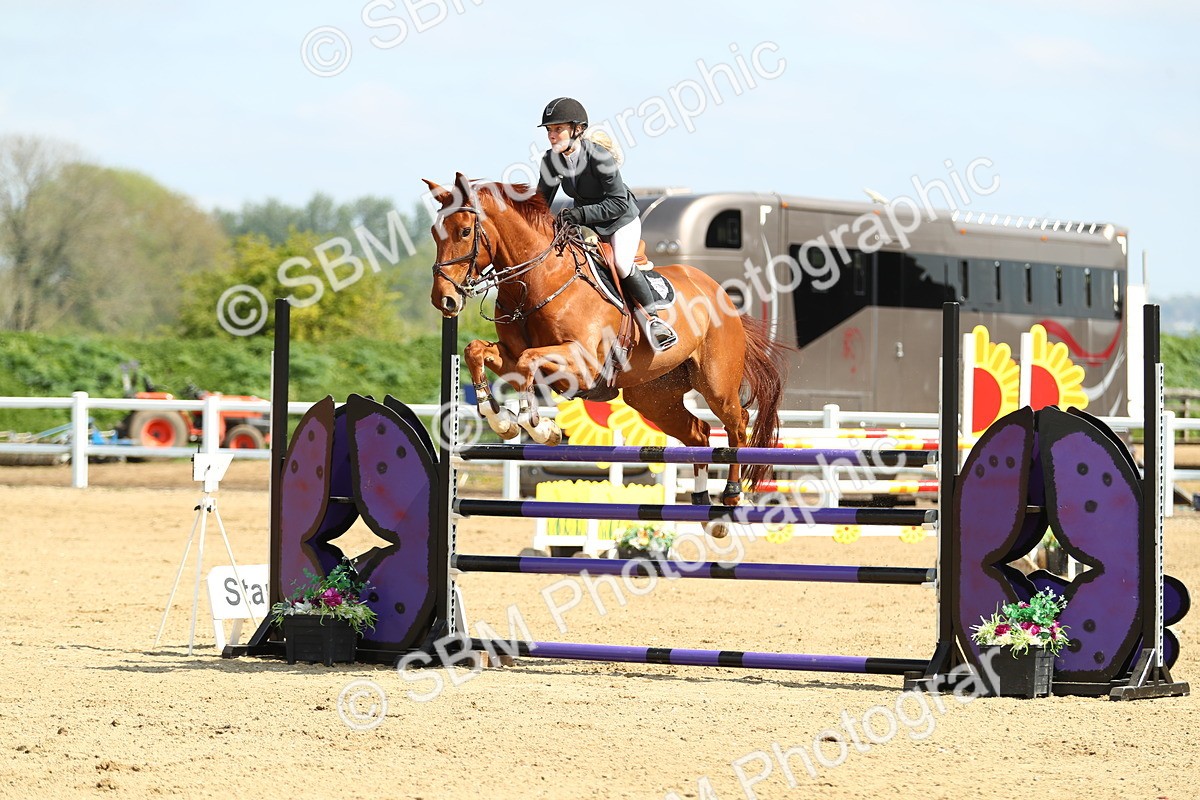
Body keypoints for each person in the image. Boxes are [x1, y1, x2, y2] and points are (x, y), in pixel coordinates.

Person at [535, 97, 677, 351]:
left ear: (577, 129)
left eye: (558, 129)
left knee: (622, 264)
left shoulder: (599, 157)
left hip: (620, 220)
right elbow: (541, 203)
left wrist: (579, 215)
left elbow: (618, 203)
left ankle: (654, 320)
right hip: (589, 224)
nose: (552, 136)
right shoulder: (552, 160)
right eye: (549, 130)